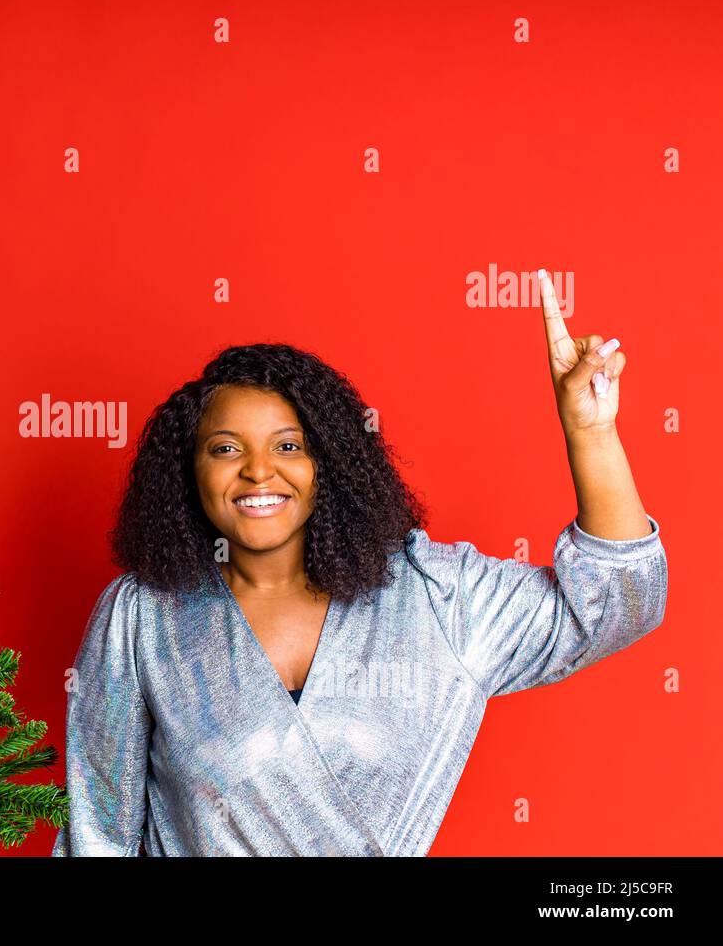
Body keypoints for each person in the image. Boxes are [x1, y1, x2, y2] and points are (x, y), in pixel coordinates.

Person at [51, 276, 668, 856]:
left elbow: (615, 604)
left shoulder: (434, 596)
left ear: (331, 465)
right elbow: (96, 836)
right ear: (190, 471)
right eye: (225, 449)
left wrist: (590, 432)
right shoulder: (142, 615)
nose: (258, 471)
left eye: (289, 446)